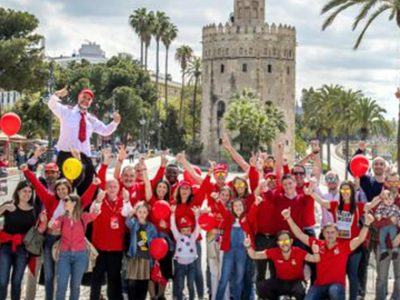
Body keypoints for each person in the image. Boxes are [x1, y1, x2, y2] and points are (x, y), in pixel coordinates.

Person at [282, 207, 374, 300]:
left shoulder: (344, 247)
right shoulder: (317, 244)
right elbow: (300, 235)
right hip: (320, 286)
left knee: (334, 290)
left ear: (337, 234)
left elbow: (360, 239)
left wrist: (366, 224)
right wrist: (288, 218)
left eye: (333, 232)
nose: (330, 235)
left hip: (337, 286)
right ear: (323, 234)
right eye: (327, 232)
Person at [48, 86, 121, 195]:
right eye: (84, 97)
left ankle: (86, 211)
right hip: (66, 156)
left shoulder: (91, 118)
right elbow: (52, 105)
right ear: (78, 97)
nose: (86, 100)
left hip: (84, 157)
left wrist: (115, 122)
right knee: (64, 189)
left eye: (89, 99)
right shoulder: (67, 111)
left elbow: (105, 130)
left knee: (90, 189)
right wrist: (57, 95)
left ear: (91, 102)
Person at [311, 180, 366, 300]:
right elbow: (322, 202)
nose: (345, 192)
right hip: (339, 247)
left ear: (352, 191)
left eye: (348, 190)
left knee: (353, 276)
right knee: (338, 277)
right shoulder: (336, 205)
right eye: (343, 190)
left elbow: (371, 205)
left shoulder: (358, 206)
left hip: (353, 247)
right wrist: (311, 193)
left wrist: (382, 196)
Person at [49, 193, 102, 300]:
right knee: (61, 285)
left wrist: (97, 205)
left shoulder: (84, 217)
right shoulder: (62, 218)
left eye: (66, 200)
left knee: (75, 286)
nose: (64, 202)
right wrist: (50, 223)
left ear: (74, 203)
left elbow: (94, 214)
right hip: (64, 255)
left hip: (80, 256)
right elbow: (54, 225)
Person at [0, 181, 46, 300]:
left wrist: (43, 221)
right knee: (2, 281)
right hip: (5, 247)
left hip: (23, 249)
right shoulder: (10, 205)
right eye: (24, 191)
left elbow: (38, 230)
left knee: (17, 281)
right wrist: (4, 207)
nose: (27, 194)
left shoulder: (34, 209)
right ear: (18, 192)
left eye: (30, 191)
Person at [245, 230, 321, 300]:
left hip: (296, 283)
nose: (284, 243)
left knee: (299, 289)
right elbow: (254, 255)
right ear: (278, 243)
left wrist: (316, 252)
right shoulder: (274, 252)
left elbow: (315, 259)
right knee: (261, 287)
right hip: (281, 282)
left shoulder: (298, 251)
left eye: (286, 240)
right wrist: (248, 246)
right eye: (281, 241)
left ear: (291, 241)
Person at [90, 180, 128, 300]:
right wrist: (98, 201)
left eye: (115, 186)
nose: (112, 189)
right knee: (96, 278)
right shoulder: (99, 201)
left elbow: (129, 213)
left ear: (118, 188)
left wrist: (127, 200)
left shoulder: (123, 202)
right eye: (110, 186)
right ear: (105, 188)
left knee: (114, 279)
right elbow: (92, 213)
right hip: (99, 248)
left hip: (116, 249)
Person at [213, 197, 254, 300]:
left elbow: (254, 211)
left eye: (240, 205)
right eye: (235, 206)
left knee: (239, 280)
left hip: (242, 252)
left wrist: (256, 203)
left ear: (244, 207)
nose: (238, 208)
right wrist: (217, 199)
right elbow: (222, 210)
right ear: (232, 208)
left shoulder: (247, 218)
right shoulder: (228, 218)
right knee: (224, 278)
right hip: (229, 252)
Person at [124, 201, 157, 300]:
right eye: (140, 212)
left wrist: (147, 240)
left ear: (147, 213)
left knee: (143, 282)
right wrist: (131, 212)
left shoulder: (151, 227)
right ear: (136, 213)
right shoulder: (134, 223)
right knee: (132, 282)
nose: (142, 214)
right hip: (134, 256)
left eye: (144, 212)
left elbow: (155, 241)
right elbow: (127, 222)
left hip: (146, 258)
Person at [170, 205, 200, 300]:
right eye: (183, 230)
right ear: (180, 230)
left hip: (191, 264)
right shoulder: (178, 237)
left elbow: (198, 227)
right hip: (180, 265)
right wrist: (173, 214)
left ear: (191, 229)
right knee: (180, 285)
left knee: (191, 285)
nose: (186, 232)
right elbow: (173, 227)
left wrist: (197, 216)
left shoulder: (193, 236)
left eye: (188, 230)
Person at [368, 189, 400, 260]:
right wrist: (378, 216)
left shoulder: (395, 208)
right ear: (383, 200)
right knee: (381, 238)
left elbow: (398, 216)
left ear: (393, 200)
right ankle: (384, 251)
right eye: (386, 199)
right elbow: (376, 215)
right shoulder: (381, 206)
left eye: (390, 199)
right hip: (384, 227)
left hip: (392, 227)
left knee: (393, 237)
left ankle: (395, 250)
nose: (389, 201)